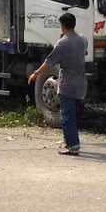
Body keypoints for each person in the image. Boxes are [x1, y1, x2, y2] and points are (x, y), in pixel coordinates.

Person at [28, 12, 87, 155]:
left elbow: (48, 63)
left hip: (68, 85)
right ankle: (74, 143)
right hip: (81, 85)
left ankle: (73, 146)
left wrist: (35, 74)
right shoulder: (83, 40)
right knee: (74, 116)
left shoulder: (63, 43)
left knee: (67, 118)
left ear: (62, 26)